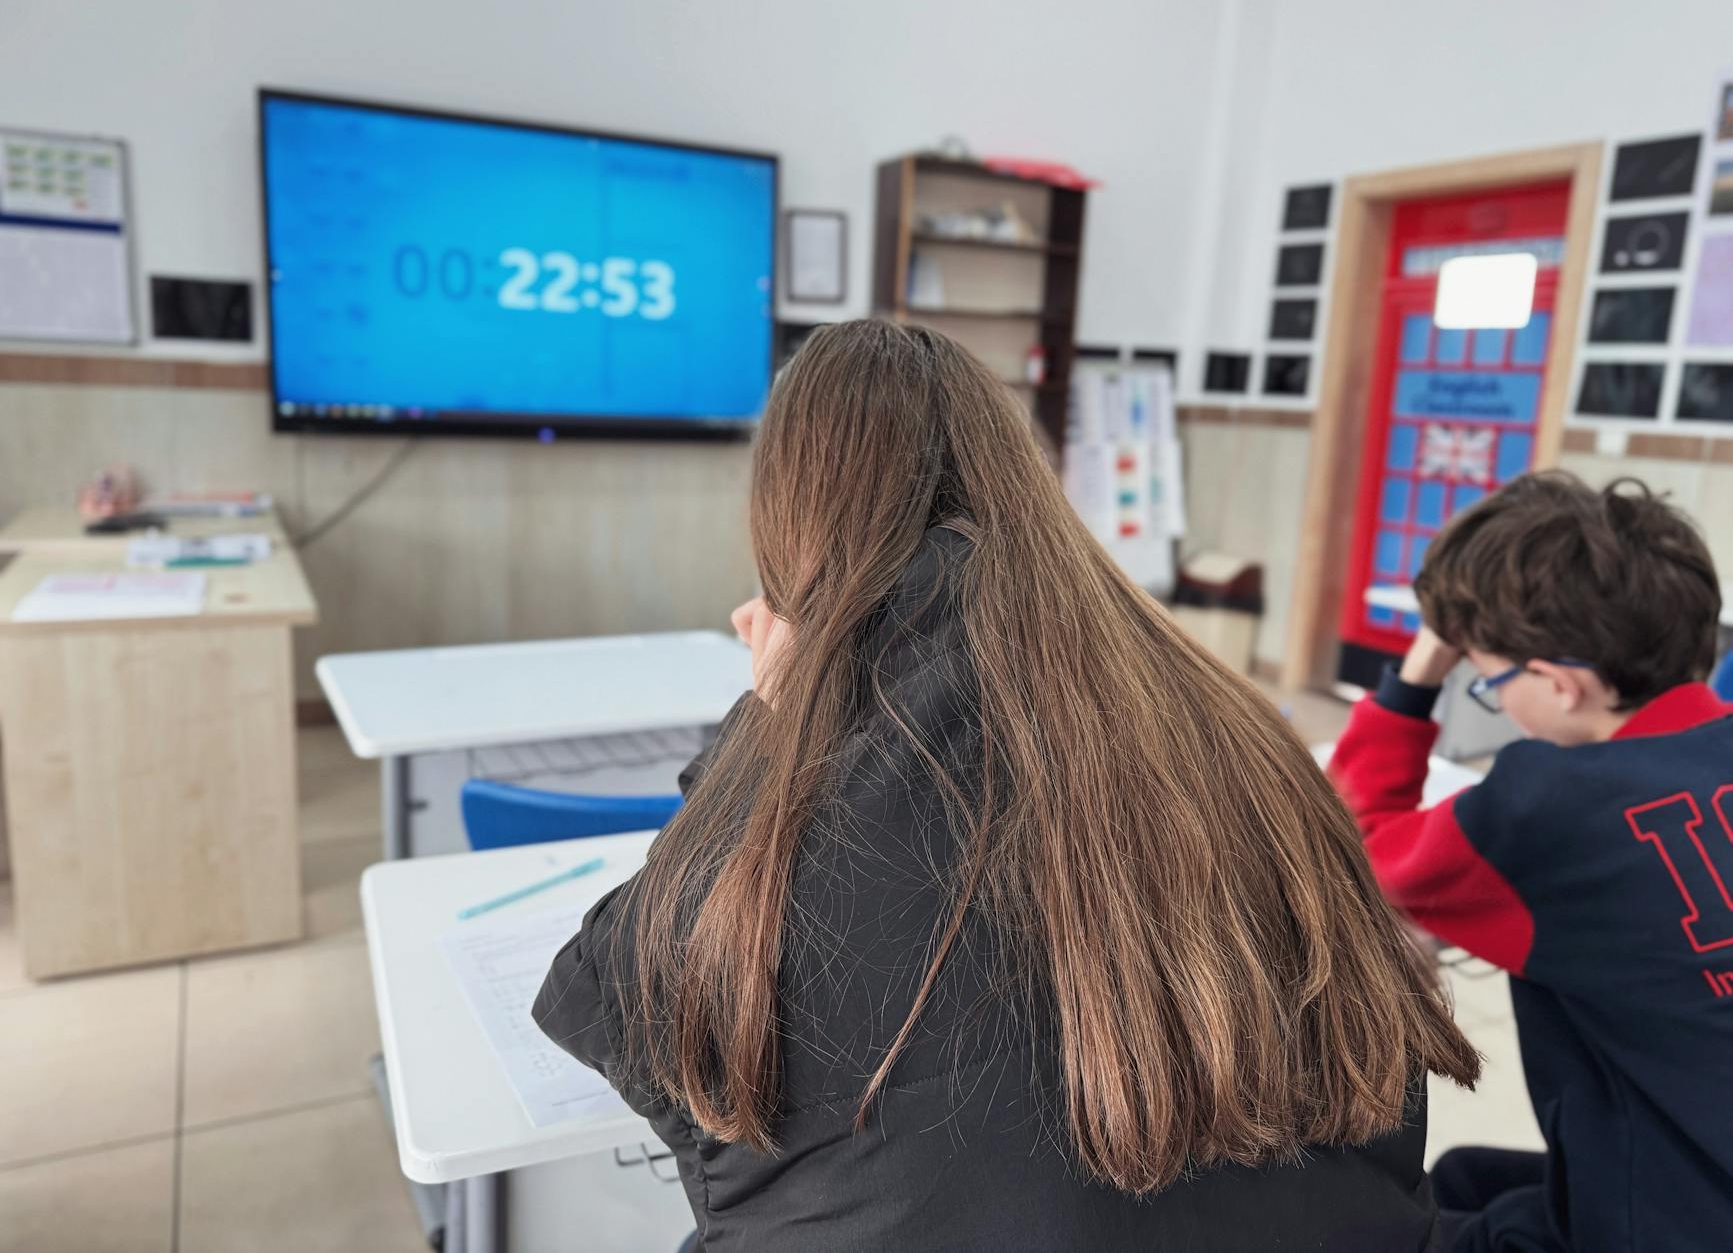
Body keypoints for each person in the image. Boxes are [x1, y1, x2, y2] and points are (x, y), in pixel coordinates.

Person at [534, 319, 1478, 1251]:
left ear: (788, 515)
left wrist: (770, 718)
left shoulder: (804, 787)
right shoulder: (1226, 713)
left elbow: (603, 996)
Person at [1328, 471, 1733, 1252]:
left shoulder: (1546, 808)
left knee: (1419, 1214)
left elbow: (1346, 856)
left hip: (1671, 1218)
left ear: (1557, 684)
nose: (1489, 696)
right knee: (1470, 1178)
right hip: (1698, 1156)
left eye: (1485, 682)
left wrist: (1417, 675)